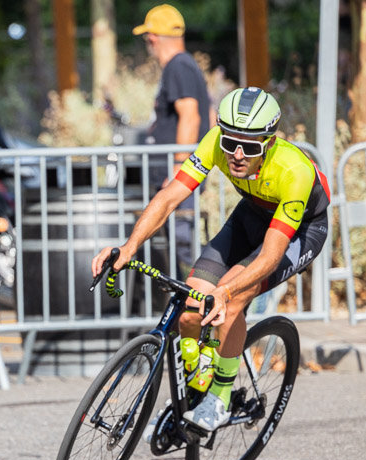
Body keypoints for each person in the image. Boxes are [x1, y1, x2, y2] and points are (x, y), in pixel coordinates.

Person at [91, 87, 329, 432]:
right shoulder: (215, 141)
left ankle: (219, 398)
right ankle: (197, 385)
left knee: (231, 300)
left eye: (248, 147)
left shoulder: (293, 171)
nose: (235, 154)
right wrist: (130, 246)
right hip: (252, 214)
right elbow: (171, 195)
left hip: (300, 230)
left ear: (269, 142)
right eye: (230, 141)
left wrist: (227, 291)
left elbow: (272, 254)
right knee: (191, 308)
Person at [133, 4, 211, 275]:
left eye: (147, 39)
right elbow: (208, 113)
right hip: (183, 170)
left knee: (184, 244)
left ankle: (200, 303)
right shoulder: (185, 66)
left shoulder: (178, 66)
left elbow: (191, 116)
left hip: (180, 172)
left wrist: (179, 168)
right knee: (181, 242)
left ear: (152, 38)